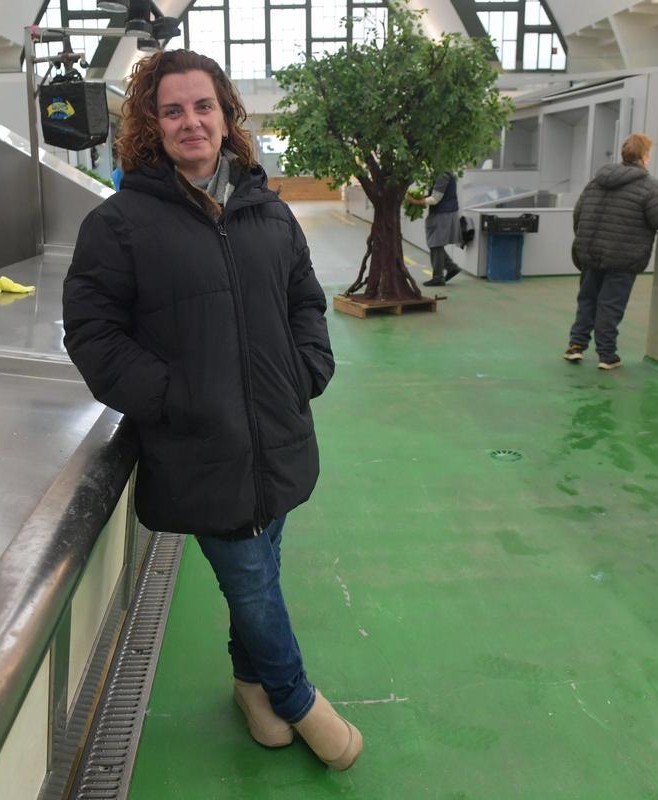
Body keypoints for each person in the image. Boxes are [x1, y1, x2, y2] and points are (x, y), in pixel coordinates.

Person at [61, 50, 362, 771]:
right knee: (252, 581)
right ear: (151, 124)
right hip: (200, 445)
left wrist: (307, 371)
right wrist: (173, 399)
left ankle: (250, 686)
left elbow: (303, 301)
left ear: (227, 116)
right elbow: (93, 333)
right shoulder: (122, 224)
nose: (190, 121)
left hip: (278, 435)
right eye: (172, 110)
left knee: (261, 569)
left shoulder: (269, 213)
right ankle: (297, 698)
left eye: (203, 106)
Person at [565, 133, 658, 369]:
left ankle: (576, 346)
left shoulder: (597, 181)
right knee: (610, 304)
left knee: (587, 298)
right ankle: (607, 356)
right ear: (645, 157)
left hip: (589, 251)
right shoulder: (650, 186)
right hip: (623, 256)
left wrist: (585, 240)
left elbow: (578, 213)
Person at [407, 171, 463, 286]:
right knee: (435, 243)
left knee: (435, 244)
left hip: (442, 213)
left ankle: (438, 276)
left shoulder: (442, 174)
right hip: (445, 211)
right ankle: (451, 267)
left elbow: (435, 199)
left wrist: (415, 201)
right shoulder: (446, 173)